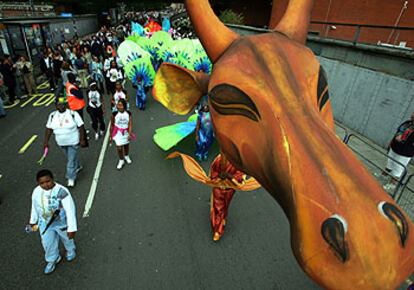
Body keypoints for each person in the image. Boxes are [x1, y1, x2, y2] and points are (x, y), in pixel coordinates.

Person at [28, 169, 77, 274]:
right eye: (42, 183)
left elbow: (70, 210)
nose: (45, 185)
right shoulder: (36, 191)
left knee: (66, 238)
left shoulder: (62, 191)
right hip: (45, 223)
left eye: (48, 181)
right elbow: (34, 207)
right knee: (47, 243)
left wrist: (72, 228)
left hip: (61, 222)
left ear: (52, 179)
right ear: (38, 183)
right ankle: (52, 259)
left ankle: (70, 249)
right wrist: (33, 221)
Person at [43, 98, 87, 187]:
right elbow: (49, 129)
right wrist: (46, 141)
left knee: (70, 160)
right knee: (70, 157)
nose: (60, 106)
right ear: (56, 106)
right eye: (58, 104)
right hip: (61, 143)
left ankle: (71, 178)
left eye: (62, 104)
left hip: (73, 141)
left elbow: (81, 126)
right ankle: (78, 166)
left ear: (66, 105)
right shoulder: (52, 116)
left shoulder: (73, 114)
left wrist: (82, 139)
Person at [209, 154, 245, 241]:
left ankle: (222, 219)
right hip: (218, 188)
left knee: (225, 206)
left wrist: (230, 177)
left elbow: (241, 180)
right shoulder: (219, 158)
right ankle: (218, 230)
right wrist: (219, 176)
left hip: (230, 190)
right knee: (218, 209)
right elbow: (212, 174)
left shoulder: (238, 162)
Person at [383, 113, 414, 191]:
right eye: (413, 113)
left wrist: (404, 139)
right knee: (389, 162)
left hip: (404, 153)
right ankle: (384, 175)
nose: (412, 115)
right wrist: (391, 142)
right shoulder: (407, 123)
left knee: (398, 169)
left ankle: (392, 183)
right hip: (395, 147)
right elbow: (398, 131)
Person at [110, 98, 133, 170]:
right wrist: (110, 136)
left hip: (126, 132)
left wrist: (129, 134)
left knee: (126, 145)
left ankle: (126, 155)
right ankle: (121, 160)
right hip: (118, 133)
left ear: (124, 106)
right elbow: (112, 125)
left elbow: (130, 124)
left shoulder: (128, 113)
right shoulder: (114, 114)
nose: (119, 107)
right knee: (119, 147)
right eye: (118, 105)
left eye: (121, 105)